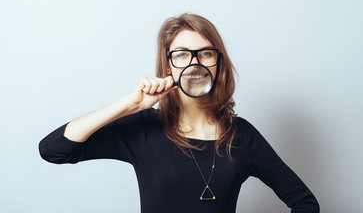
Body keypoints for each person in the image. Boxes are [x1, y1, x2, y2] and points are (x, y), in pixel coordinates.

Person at [39, 13, 319, 213]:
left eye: (206, 53)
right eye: (182, 54)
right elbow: (53, 150)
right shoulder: (144, 129)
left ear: (218, 64)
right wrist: (130, 105)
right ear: (168, 65)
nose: (194, 64)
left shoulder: (241, 135)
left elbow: (305, 204)